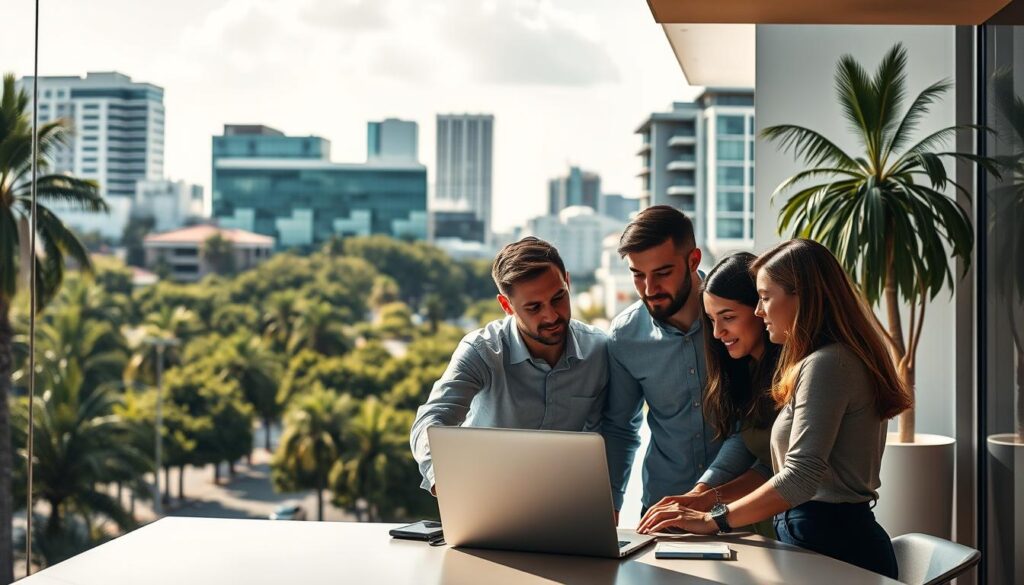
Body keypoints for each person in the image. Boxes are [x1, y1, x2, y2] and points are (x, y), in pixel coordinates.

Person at [637, 239, 912, 580]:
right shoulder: (823, 361)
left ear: (803, 296)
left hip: (836, 542)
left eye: (765, 297)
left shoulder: (828, 364)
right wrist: (702, 497)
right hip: (817, 535)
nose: (759, 310)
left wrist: (713, 519)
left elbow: (799, 478)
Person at [410, 237, 609, 494]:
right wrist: (442, 477)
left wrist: (609, 499)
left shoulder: (599, 350)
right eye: (534, 307)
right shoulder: (481, 351)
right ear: (507, 306)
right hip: (486, 498)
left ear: (568, 283)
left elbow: (613, 431)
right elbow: (432, 418)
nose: (551, 315)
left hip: (564, 501)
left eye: (558, 297)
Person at [639, 252, 780, 537]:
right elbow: (743, 439)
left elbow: (781, 470)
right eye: (711, 319)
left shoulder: (796, 370)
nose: (717, 333)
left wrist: (706, 503)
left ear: (760, 309)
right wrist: (699, 492)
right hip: (770, 523)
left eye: (727, 317)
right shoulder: (747, 370)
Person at [601, 205, 722, 517]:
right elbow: (621, 428)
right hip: (662, 509)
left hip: (740, 503)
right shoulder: (625, 336)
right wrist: (611, 505)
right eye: (638, 275)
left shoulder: (736, 313)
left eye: (662, 273)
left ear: (693, 260)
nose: (649, 289)